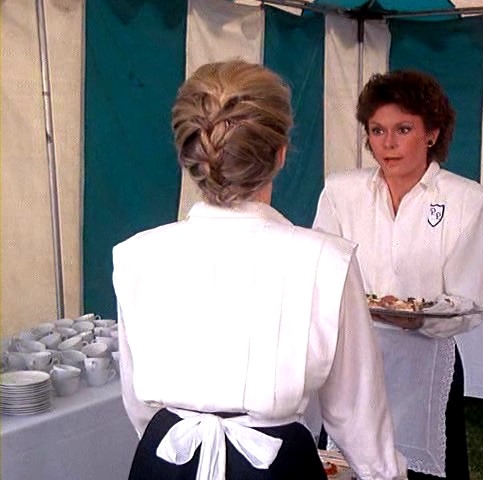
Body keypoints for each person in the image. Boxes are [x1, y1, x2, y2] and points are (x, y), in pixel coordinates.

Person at [112, 60, 407, 480]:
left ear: (188, 155)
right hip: (274, 467)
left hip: (168, 457)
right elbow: (356, 411)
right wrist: (383, 475)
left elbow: (138, 403)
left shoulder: (136, 255)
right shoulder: (326, 261)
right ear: (280, 154)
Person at [313, 70, 483, 479]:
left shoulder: (468, 200)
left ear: (432, 133)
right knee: (345, 465)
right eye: (377, 130)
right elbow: (321, 275)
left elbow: (466, 302)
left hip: (424, 362)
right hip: (353, 358)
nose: (388, 143)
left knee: (423, 469)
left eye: (403, 129)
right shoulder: (341, 192)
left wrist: (419, 318)